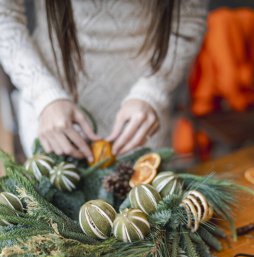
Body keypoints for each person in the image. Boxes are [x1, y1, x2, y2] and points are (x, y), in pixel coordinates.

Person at [0, 0, 208, 161]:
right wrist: (45, 95)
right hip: (54, 115)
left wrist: (154, 90)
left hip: (142, 117)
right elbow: (4, 16)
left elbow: (190, 15)